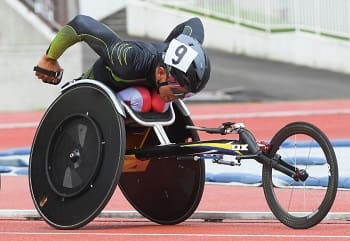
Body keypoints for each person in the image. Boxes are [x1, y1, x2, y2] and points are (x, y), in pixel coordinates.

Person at [34, 15, 210, 113]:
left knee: (159, 103)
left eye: (185, 94)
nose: (178, 97)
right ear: (161, 73)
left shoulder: (177, 60)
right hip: (97, 89)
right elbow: (81, 24)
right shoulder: (127, 58)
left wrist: (173, 44)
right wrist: (50, 58)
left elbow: (194, 23)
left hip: (143, 87)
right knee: (142, 98)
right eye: (177, 90)